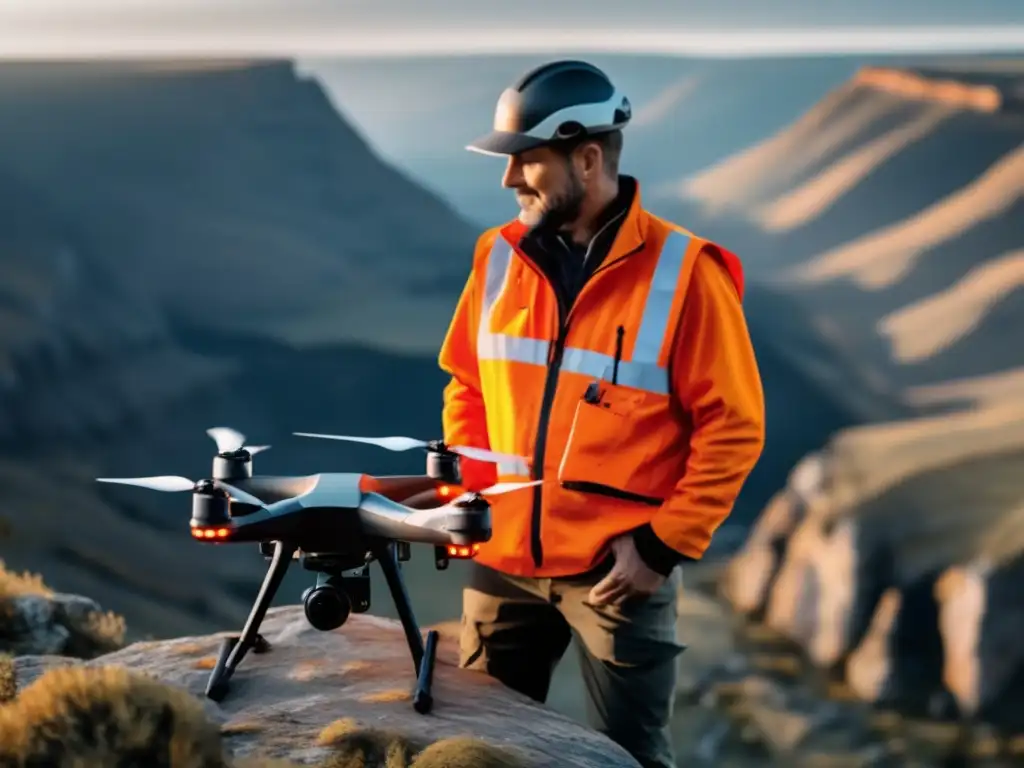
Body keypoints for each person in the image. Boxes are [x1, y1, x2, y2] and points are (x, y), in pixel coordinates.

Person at [436, 59, 765, 768]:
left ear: (587, 157)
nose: (507, 181)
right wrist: (478, 486)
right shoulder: (496, 257)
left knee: (630, 759)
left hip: (617, 573)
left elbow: (733, 426)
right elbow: (465, 383)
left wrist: (660, 548)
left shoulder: (686, 274)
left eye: (526, 163)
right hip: (503, 561)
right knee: (477, 752)